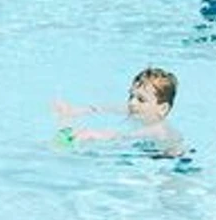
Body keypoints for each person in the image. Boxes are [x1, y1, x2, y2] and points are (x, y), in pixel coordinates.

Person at [53, 67, 185, 156]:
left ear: (162, 108)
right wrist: (76, 110)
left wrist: (94, 134)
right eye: (131, 96)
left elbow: (122, 137)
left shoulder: (158, 129)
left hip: (172, 161)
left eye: (141, 99)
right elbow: (108, 108)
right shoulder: (138, 111)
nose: (132, 103)